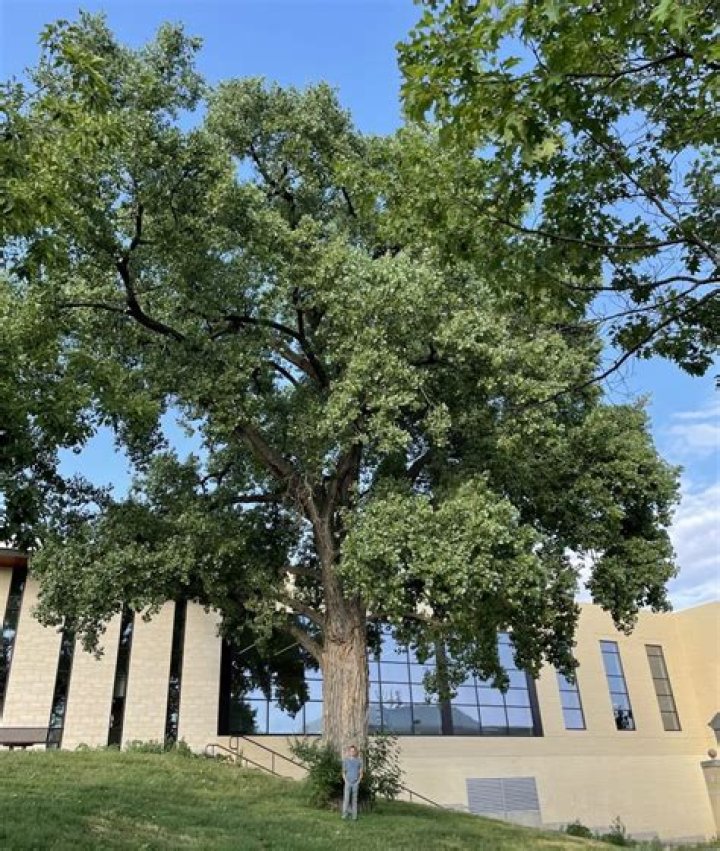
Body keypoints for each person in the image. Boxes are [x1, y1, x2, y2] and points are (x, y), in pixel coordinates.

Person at [341, 744, 363, 821]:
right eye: (351, 751)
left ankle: (354, 816)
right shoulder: (346, 761)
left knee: (354, 800)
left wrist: (358, 781)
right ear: (349, 752)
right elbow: (343, 772)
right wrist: (346, 781)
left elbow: (361, 772)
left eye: (353, 751)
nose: (352, 752)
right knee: (346, 799)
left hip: (355, 783)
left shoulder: (359, 761)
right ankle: (344, 815)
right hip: (348, 782)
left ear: (356, 752)